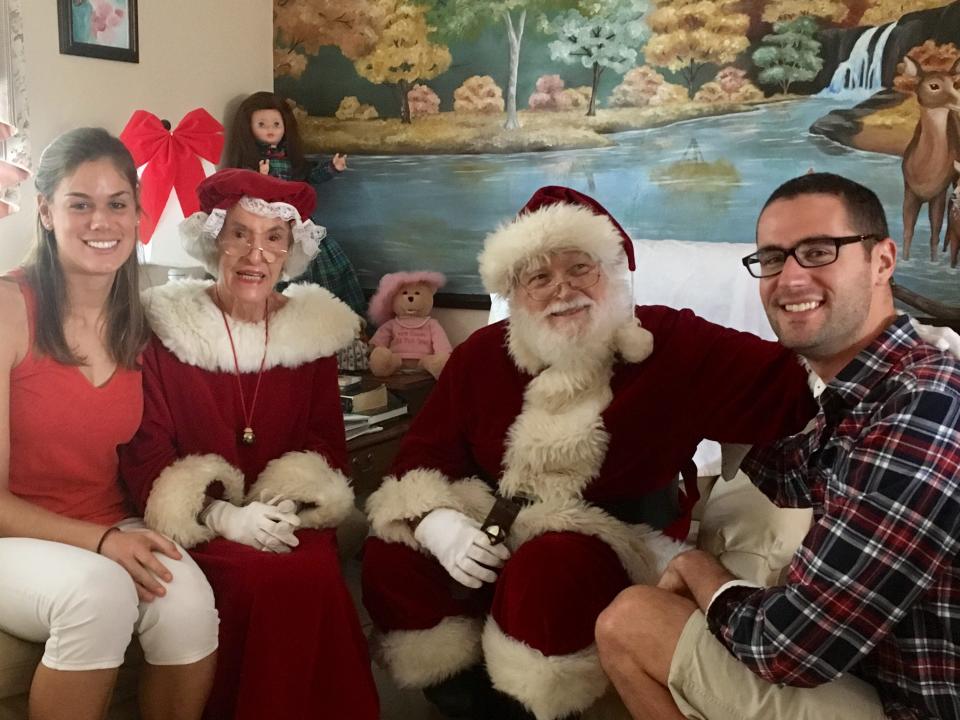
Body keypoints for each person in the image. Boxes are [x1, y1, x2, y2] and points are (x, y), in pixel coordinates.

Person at [360, 186, 818, 720]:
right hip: (491, 523)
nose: (562, 289)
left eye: (580, 267)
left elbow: (790, 388)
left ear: (613, 272)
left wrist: (886, 353)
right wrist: (439, 522)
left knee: (548, 570)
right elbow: (422, 458)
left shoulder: (670, 340)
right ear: (515, 291)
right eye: (538, 277)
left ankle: (537, 709)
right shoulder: (481, 356)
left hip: (620, 537)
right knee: (391, 560)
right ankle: (466, 702)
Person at [595, 173, 960, 720]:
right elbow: (787, 473)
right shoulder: (849, 392)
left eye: (818, 251)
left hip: (915, 703)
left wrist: (696, 567)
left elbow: (790, 647)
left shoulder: (926, 405)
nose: (789, 279)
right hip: (869, 671)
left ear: (882, 261)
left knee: (628, 621)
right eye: (771, 258)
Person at [119, 168, 379, 720]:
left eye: (273, 238)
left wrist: (287, 503)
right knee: (264, 577)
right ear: (214, 241)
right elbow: (147, 451)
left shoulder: (313, 336)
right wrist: (218, 515)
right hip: (198, 526)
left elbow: (324, 443)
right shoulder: (166, 328)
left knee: (312, 570)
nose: (255, 254)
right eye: (239, 233)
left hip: (287, 520)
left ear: (291, 251)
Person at [0, 127, 218, 720]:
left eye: (117, 203)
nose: (103, 221)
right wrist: (102, 544)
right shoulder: (8, 309)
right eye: (80, 204)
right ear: (45, 212)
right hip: (12, 537)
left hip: (106, 516)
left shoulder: (139, 321)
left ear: (137, 214)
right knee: (98, 594)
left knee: (190, 602)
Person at [228, 91, 366, 316]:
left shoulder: (289, 160)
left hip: (297, 222)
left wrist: (331, 168)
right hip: (267, 228)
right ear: (248, 129)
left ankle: (341, 320)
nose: (270, 129)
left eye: (276, 124)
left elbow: (307, 179)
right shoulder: (248, 164)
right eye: (261, 124)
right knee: (280, 271)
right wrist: (258, 177)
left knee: (322, 261)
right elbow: (245, 196)